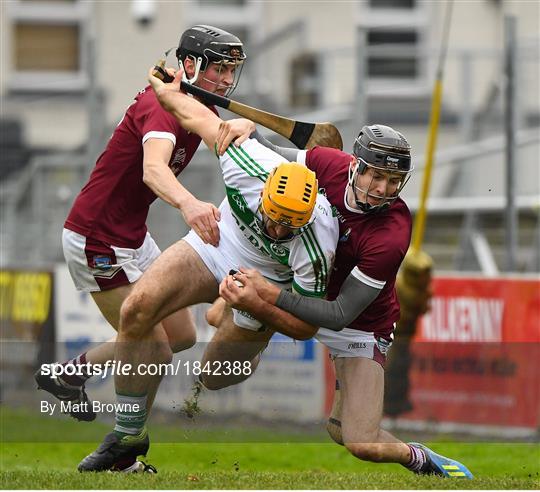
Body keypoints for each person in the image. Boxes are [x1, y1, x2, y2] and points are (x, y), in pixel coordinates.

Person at [75, 66, 339, 472]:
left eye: (290, 226)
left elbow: (306, 325)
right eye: (273, 218)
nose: (279, 229)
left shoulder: (318, 243)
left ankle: (233, 312)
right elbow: (193, 114)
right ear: (264, 192)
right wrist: (166, 90)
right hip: (216, 246)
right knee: (136, 311)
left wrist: (260, 303)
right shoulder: (245, 161)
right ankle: (126, 440)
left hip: (265, 283)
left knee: (214, 375)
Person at [213, 124, 473, 479]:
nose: (384, 190)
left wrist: (269, 295)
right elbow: (273, 160)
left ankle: (421, 458)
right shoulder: (328, 165)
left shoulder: (392, 232)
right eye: (377, 176)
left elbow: (337, 315)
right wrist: (249, 131)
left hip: (357, 325)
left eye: (394, 181)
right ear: (356, 166)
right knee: (216, 345)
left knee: (357, 440)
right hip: (301, 288)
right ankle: (248, 338)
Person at [34, 25, 249, 442]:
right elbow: (154, 170)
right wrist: (189, 204)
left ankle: (69, 375)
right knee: (155, 348)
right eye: (218, 70)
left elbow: (228, 147)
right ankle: (126, 450)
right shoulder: (163, 106)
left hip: (131, 235)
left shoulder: (193, 104)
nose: (225, 81)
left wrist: (248, 132)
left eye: (230, 72)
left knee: (181, 335)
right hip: (95, 236)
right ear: (189, 65)